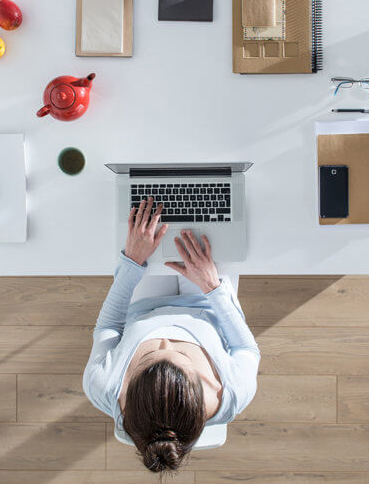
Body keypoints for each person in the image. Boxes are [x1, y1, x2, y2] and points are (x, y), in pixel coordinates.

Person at [83, 197, 260, 473]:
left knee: (147, 228)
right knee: (211, 212)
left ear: (129, 392)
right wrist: (212, 285)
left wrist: (132, 262)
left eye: (150, 355)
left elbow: (109, 327)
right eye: (180, 353)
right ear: (201, 391)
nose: (165, 340)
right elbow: (246, 349)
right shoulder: (234, 394)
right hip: (207, 302)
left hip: (144, 305)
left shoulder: (102, 387)